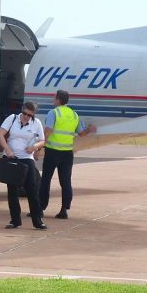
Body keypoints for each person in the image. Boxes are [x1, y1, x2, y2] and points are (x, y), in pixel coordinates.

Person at [39, 90, 97, 220]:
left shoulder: (53, 113)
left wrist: (39, 147)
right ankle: (64, 209)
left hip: (52, 151)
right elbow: (81, 133)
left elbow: (47, 131)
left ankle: (40, 208)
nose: (53, 99)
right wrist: (89, 129)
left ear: (58, 99)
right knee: (65, 181)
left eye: (54, 97)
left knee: (46, 180)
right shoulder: (74, 115)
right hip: (67, 154)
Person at [0, 101, 47, 230]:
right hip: (11, 157)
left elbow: (42, 140)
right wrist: (7, 150)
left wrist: (34, 147)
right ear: (22, 110)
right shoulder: (12, 118)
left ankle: (37, 220)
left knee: (32, 188)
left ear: (33, 115)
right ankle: (15, 220)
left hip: (26, 158)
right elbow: (0, 134)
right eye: (24, 113)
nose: (25, 116)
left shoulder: (36, 123)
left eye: (29, 115)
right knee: (12, 190)